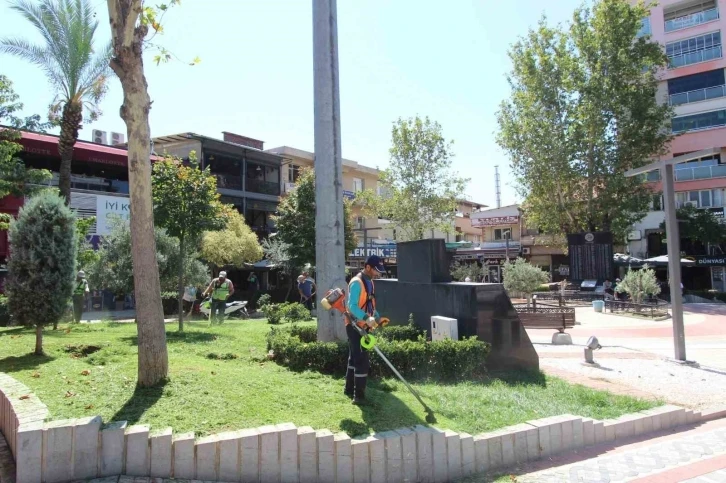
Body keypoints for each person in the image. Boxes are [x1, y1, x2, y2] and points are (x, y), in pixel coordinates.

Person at [345, 255, 386, 405]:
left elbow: (369, 304)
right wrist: (365, 317)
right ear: (367, 267)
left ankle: (348, 389)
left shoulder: (370, 282)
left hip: (364, 324)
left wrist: (377, 317)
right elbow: (352, 306)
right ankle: (359, 397)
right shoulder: (357, 283)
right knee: (361, 360)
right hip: (354, 325)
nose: (377, 273)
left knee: (353, 357)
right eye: (375, 270)